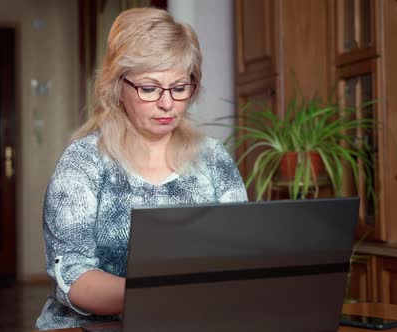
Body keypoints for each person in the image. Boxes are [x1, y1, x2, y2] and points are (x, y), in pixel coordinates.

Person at [35, 7, 248, 330]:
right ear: (117, 87)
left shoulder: (214, 159)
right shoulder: (84, 162)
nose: (167, 104)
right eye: (149, 88)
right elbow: (73, 278)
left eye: (179, 88)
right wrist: (161, 294)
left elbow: (240, 256)